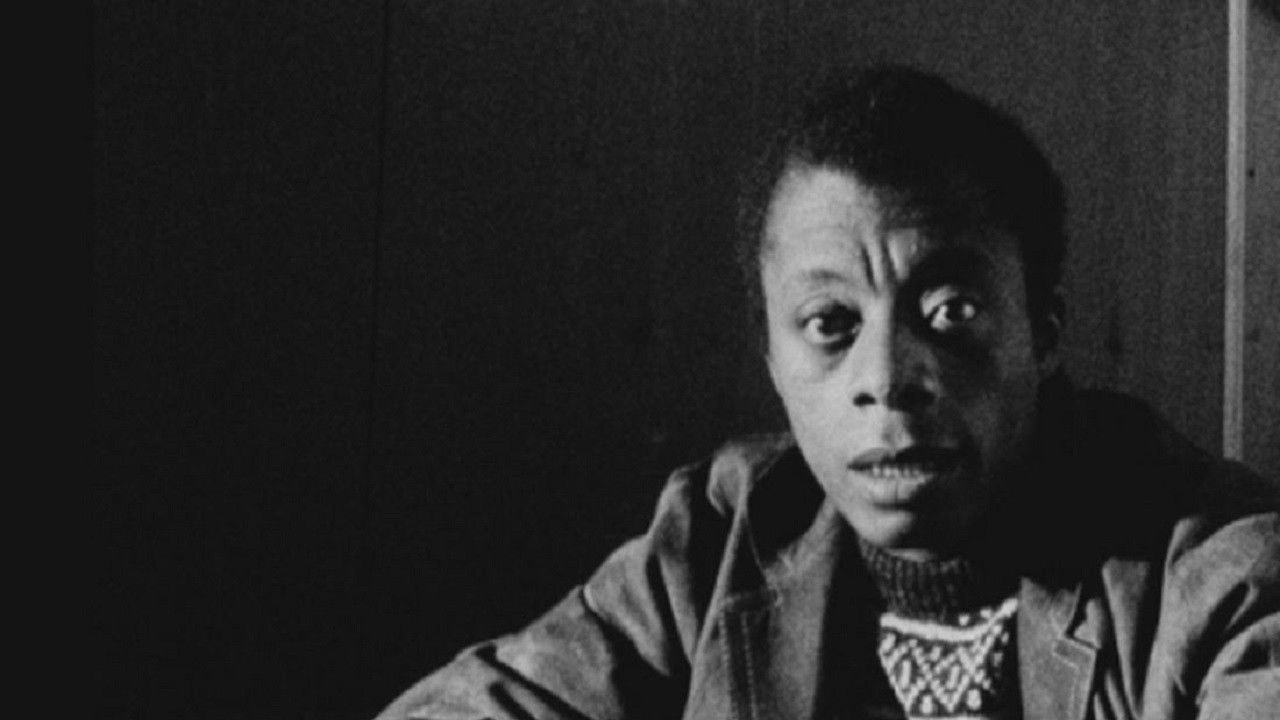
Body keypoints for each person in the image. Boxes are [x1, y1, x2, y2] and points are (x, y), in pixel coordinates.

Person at [375, 65, 1279, 720]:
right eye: (831, 324)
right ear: (773, 360)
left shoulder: (1216, 568)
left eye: (952, 311)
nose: (886, 379)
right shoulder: (720, 539)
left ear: (1042, 333)